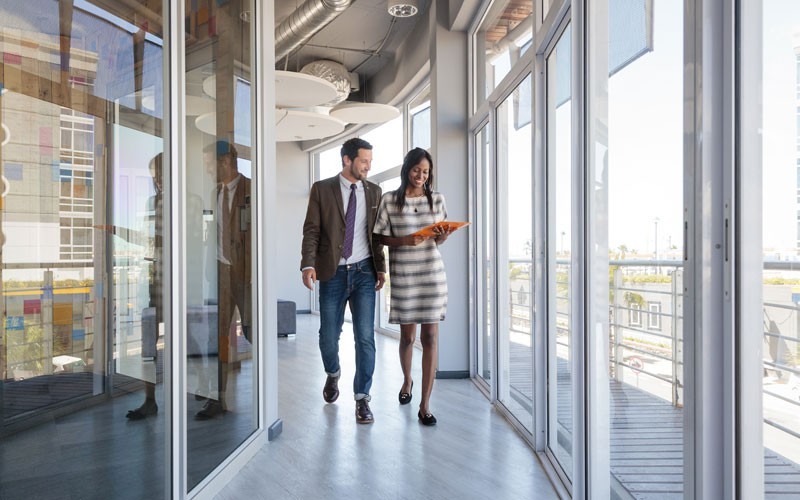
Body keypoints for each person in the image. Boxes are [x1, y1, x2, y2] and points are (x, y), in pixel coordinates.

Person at [300, 137, 386, 424]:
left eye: (370, 162)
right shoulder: (322, 189)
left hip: (364, 272)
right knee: (328, 337)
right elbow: (312, 229)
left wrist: (381, 268)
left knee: (365, 338)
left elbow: (377, 235)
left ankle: (362, 398)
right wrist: (308, 264)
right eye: (364, 161)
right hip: (332, 273)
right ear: (347, 160)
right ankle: (333, 373)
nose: (368, 166)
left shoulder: (375, 191)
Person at [372, 147, 454, 426]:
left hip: (432, 274)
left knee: (430, 337)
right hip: (405, 275)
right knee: (408, 338)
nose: (421, 175)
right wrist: (405, 241)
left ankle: (425, 404)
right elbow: (379, 237)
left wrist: (442, 236)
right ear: (407, 168)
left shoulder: (438, 200)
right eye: (417, 169)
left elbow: (438, 238)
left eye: (426, 171)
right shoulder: (390, 201)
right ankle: (407, 380)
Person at [195, 140, 252, 420]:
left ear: (225, 162)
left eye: (209, 164)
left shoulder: (251, 189)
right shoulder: (213, 193)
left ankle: (266, 395)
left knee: (253, 332)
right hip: (220, 272)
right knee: (219, 336)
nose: (207, 170)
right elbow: (210, 231)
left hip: (247, 275)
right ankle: (217, 398)